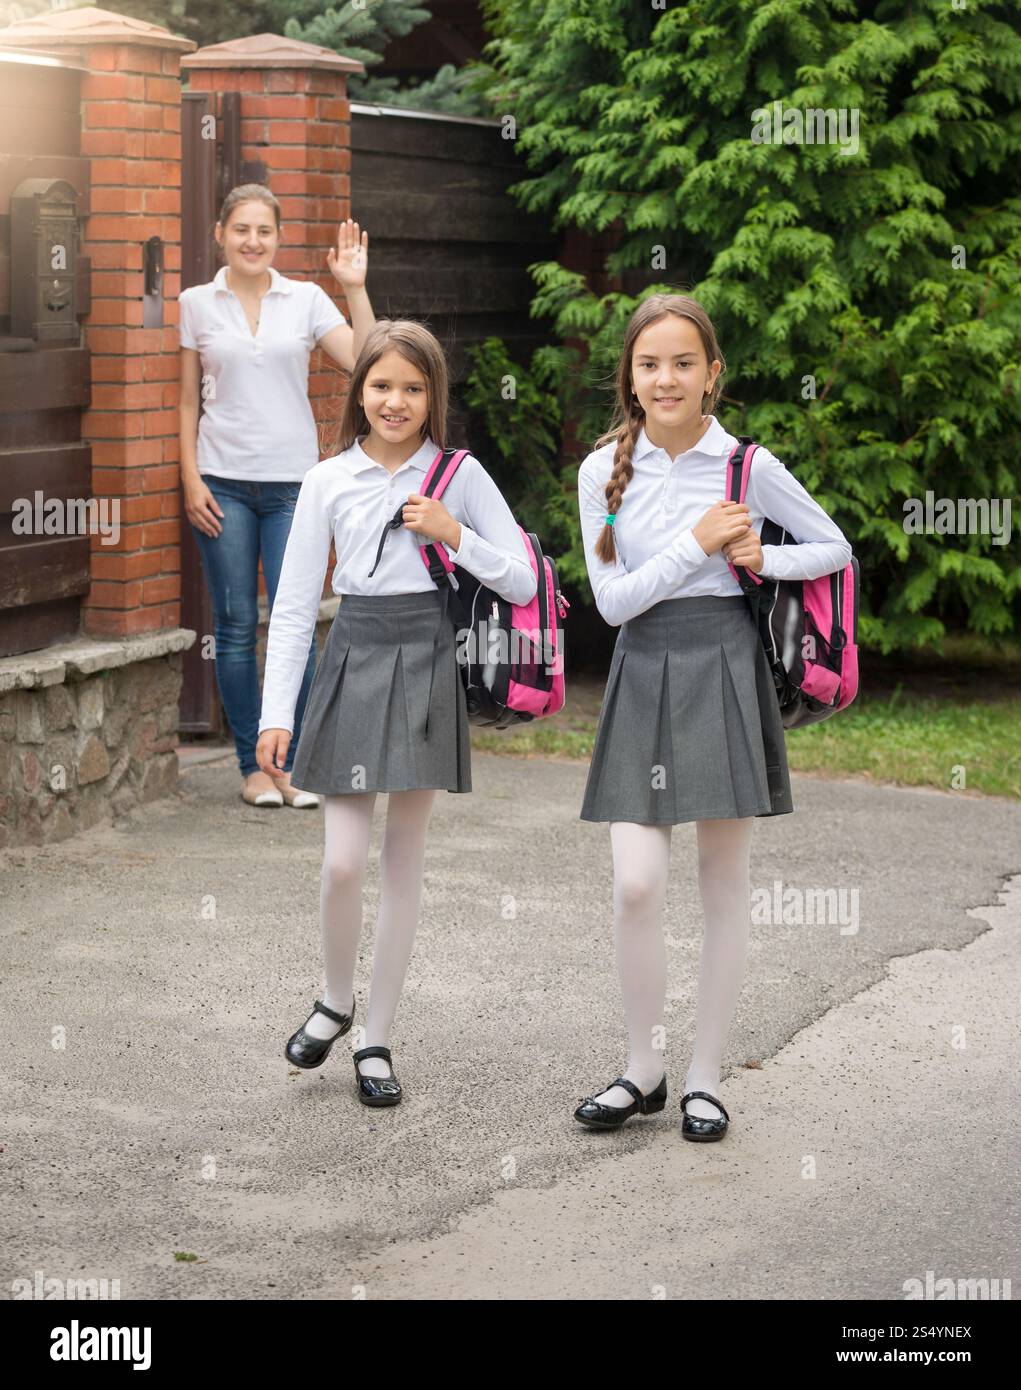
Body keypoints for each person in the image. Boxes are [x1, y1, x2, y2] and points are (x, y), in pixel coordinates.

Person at [573, 292, 852, 1140]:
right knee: (634, 885)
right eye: (649, 363)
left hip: (724, 667)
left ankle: (703, 1078)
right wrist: (693, 545)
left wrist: (760, 553)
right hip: (642, 668)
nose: (665, 378)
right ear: (629, 374)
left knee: (723, 886)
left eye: (682, 363)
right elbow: (613, 605)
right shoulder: (599, 472)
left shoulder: (745, 465)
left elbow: (834, 545)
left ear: (712, 374)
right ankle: (642, 1068)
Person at [255, 319, 537, 1105]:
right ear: (358, 392)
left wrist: (456, 536)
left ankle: (375, 1038)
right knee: (343, 860)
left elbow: (521, 579)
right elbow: (291, 607)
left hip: (427, 661)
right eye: (381, 385)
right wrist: (275, 714)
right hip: (352, 656)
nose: (395, 400)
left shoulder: (460, 475)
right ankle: (333, 1000)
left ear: (432, 398)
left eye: (413, 388)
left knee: (402, 859)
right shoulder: (326, 481)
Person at [178, 183, 375, 807]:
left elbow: (367, 361)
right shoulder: (195, 303)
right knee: (235, 627)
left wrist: (353, 287)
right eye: (241, 230)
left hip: (295, 487)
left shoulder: (307, 300)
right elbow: (186, 402)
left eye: (264, 231)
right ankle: (253, 768)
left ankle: (295, 764)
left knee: (293, 623)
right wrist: (189, 477)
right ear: (221, 234)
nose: (253, 241)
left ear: (278, 237)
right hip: (221, 484)